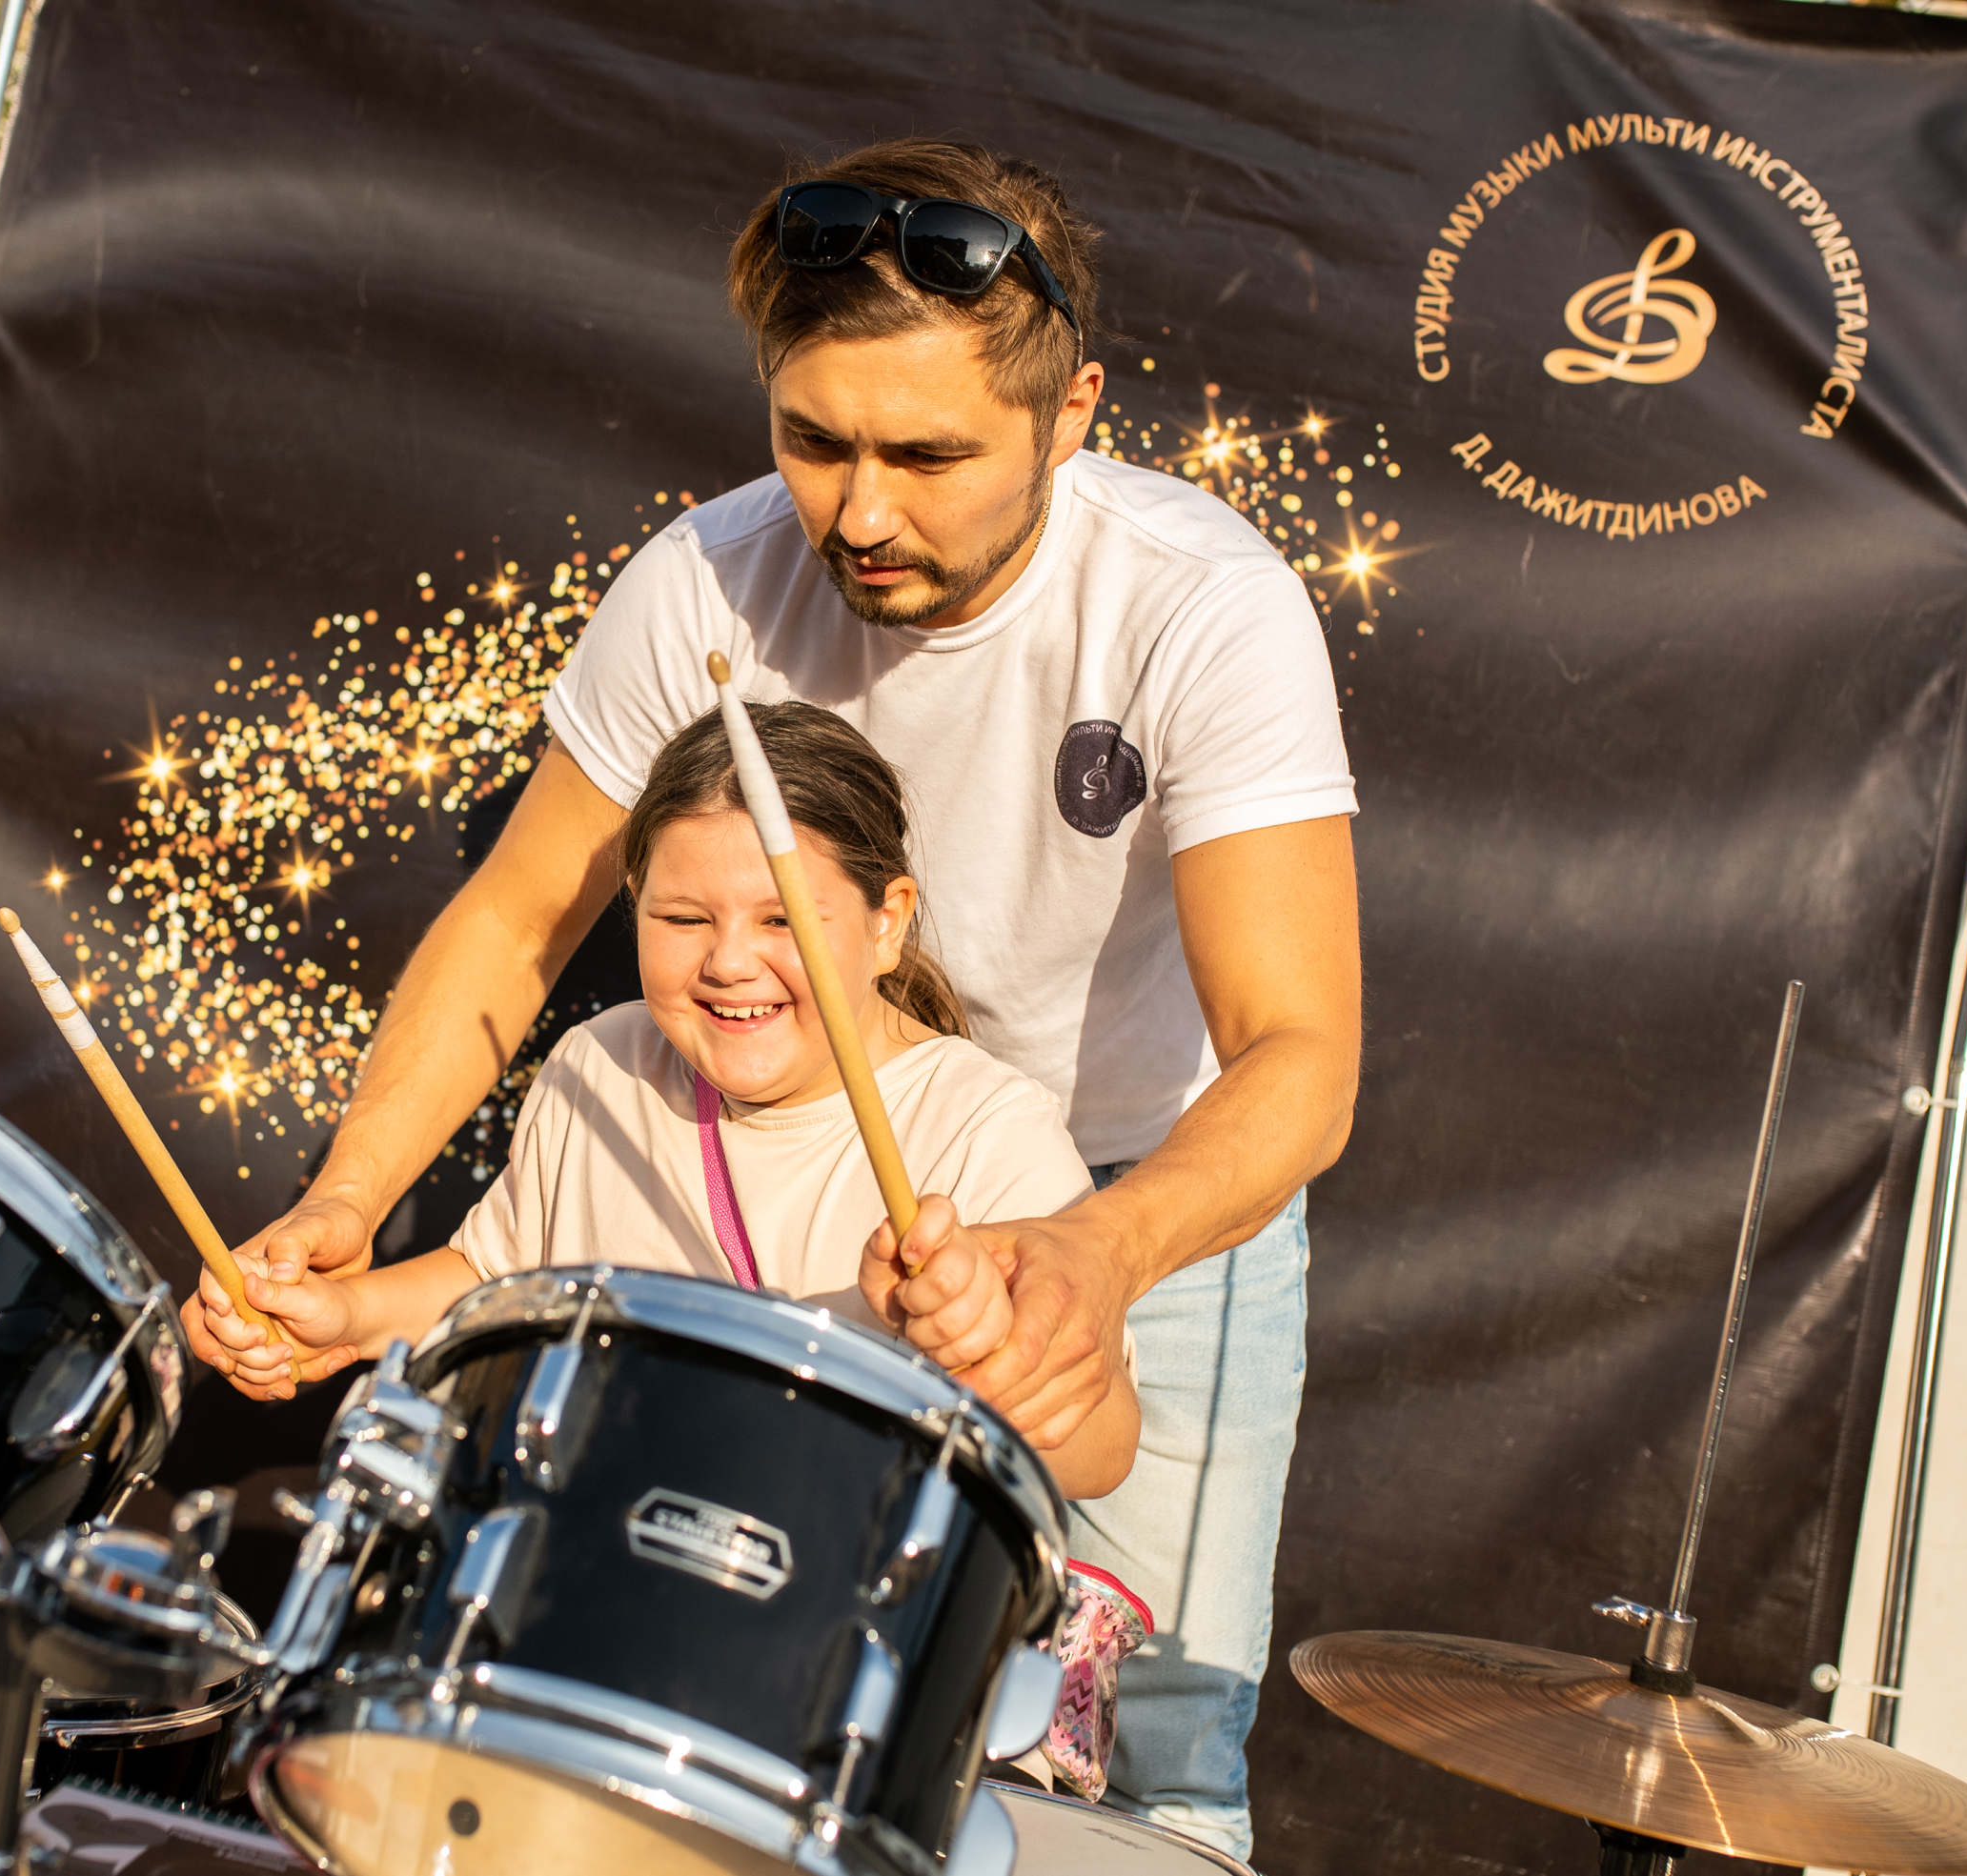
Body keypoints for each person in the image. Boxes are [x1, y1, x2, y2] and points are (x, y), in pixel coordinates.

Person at [194, 138, 1358, 1857]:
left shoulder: (1204, 605)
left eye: (929, 454)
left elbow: (1299, 1052)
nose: (860, 513)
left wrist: (1099, 1256)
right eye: (814, 441)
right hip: (817, 1162)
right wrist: (348, 1207)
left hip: (1144, 1193)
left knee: (1144, 1755)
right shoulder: (706, 579)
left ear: (1073, 412)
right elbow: (514, 922)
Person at [194, 700, 1140, 1498]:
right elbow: (495, 1281)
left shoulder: (984, 1130)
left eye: (782, 920)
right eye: (683, 917)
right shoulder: (598, 1064)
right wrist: (347, 1316)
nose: (729, 961)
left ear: (885, 921)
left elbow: (1103, 1453)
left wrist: (981, 1345)